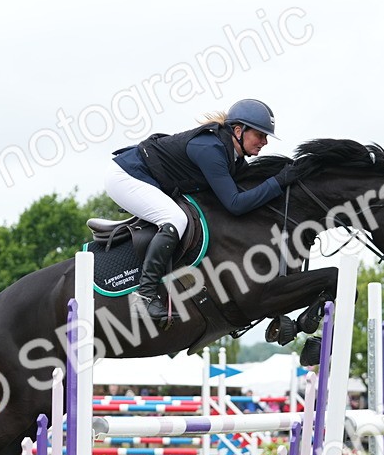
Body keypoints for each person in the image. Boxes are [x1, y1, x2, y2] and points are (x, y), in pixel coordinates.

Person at [105, 98, 298, 320]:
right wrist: (278, 182)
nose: (265, 142)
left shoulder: (232, 156)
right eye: (260, 135)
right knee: (175, 219)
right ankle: (145, 296)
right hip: (125, 176)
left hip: (145, 176)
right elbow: (235, 204)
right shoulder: (212, 150)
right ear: (238, 130)